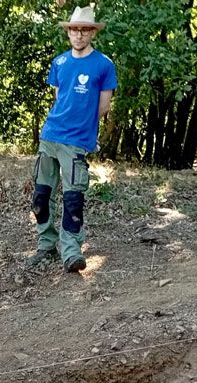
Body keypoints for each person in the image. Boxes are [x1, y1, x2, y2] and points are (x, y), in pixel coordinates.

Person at [26, 5, 117, 272]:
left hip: (76, 142)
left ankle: (71, 251)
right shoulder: (60, 62)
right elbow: (59, 98)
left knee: (73, 198)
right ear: (68, 32)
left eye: (84, 30)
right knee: (42, 195)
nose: (79, 34)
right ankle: (46, 246)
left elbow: (103, 108)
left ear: (92, 33)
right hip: (50, 135)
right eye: (74, 29)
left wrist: (85, 131)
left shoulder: (103, 65)